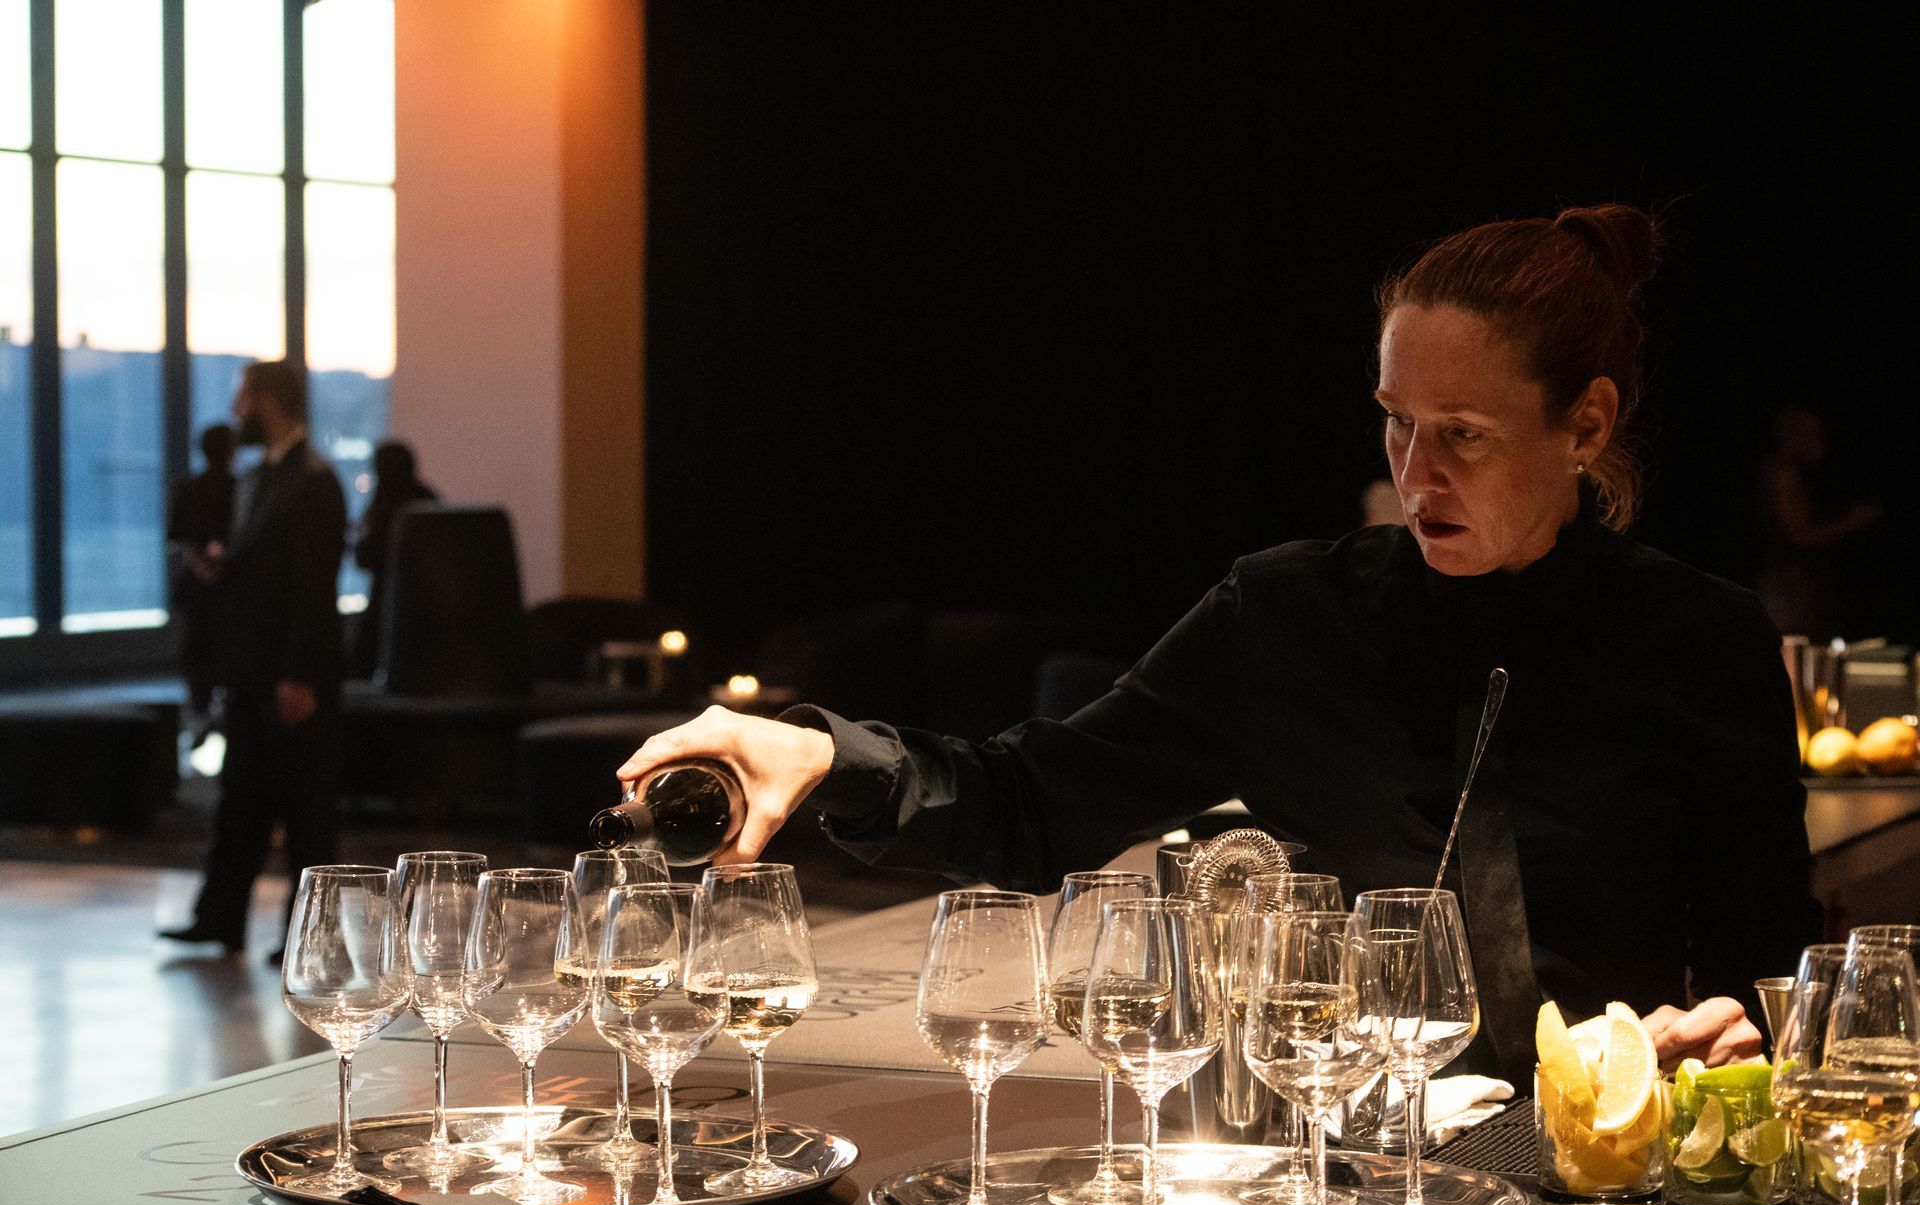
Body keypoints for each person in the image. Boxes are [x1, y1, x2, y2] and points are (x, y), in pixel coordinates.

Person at [617, 206, 1818, 1084]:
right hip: (1341, 1179)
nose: (1416, 475)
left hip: (1614, 1168)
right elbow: (1035, 799)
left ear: (1586, 423)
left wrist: (1730, 1029)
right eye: (1398, 423)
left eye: (1463, 434)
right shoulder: (1291, 616)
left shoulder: (1701, 641)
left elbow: (1770, 961)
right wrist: (821, 753)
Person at [160, 360, 347, 961]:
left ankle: (310, 941)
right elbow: (268, 572)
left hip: (289, 674)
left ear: (268, 401)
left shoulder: (312, 481)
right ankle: (220, 918)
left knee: (305, 810)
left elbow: (313, 589)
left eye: (243, 397)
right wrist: (224, 567)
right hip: (252, 671)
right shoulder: (265, 478)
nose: (236, 409)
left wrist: (299, 674)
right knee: (241, 800)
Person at [1752, 404, 1883, 642]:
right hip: (1792, 592)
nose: (1819, 442)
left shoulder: (1784, 473)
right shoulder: (1784, 475)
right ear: (1792, 436)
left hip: (1799, 591)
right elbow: (1800, 537)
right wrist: (1852, 522)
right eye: (1811, 435)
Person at [166, 422, 236, 738]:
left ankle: (199, 711)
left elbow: (177, 537)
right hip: (231, 585)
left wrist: (200, 565)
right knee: (225, 645)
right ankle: (225, 710)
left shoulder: (189, 488)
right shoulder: (241, 488)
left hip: (195, 584)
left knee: (196, 648)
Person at [349, 440, 439, 679]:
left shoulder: (383, 506)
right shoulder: (429, 500)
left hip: (383, 609)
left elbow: (364, 557)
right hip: (430, 612)